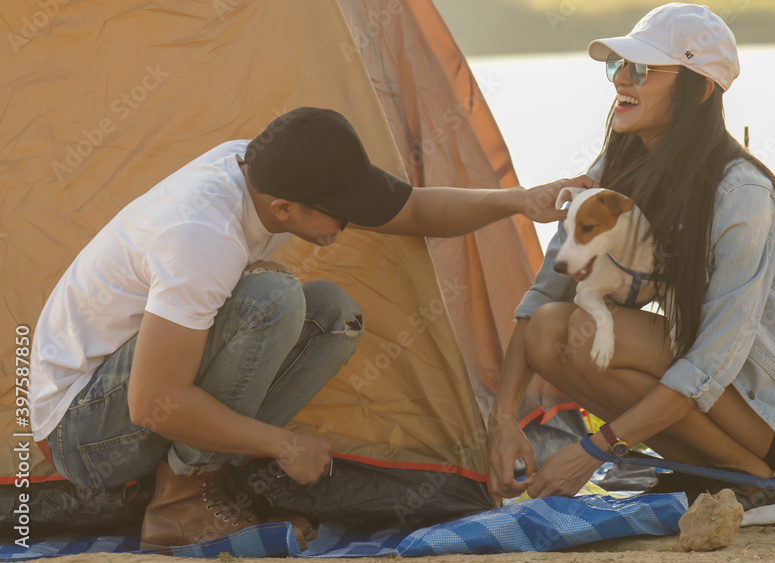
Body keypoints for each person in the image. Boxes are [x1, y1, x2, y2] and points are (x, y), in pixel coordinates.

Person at [29, 107, 581, 547]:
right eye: (338, 213)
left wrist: (519, 201)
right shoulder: (203, 235)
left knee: (332, 315)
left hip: (128, 395)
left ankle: (197, 484)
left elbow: (410, 210)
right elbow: (152, 403)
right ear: (285, 208)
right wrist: (284, 445)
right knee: (271, 299)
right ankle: (180, 505)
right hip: (83, 434)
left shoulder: (258, 168)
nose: (348, 222)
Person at [487, 3, 775, 525]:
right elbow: (547, 293)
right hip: (715, 386)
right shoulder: (618, 167)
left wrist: (596, 449)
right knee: (550, 329)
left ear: (700, 89)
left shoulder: (740, 193)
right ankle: (709, 472)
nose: (621, 81)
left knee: (579, 326)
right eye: (617, 67)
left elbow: (711, 363)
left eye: (641, 70)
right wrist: (503, 421)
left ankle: (755, 479)